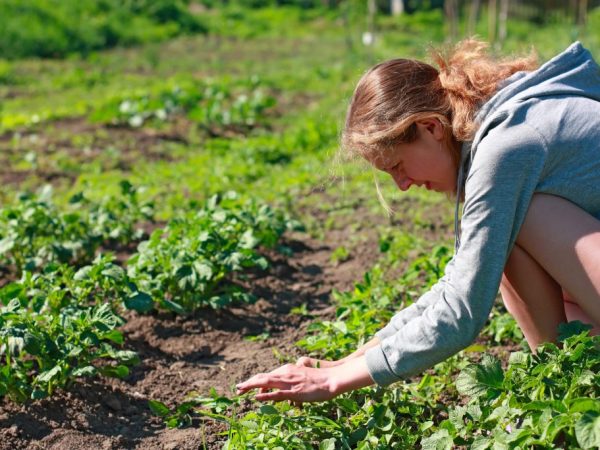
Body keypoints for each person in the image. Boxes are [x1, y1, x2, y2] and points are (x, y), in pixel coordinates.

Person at [236, 39, 600, 404]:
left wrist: (333, 384)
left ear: (430, 127)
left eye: (398, 166)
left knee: (525, 220)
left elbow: (462, 309)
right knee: (507, 244)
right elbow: (460, 279)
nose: (404, 185)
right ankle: (568, 383)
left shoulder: (507, 149)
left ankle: (566, 395)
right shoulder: (503, 119)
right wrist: (344, 363)